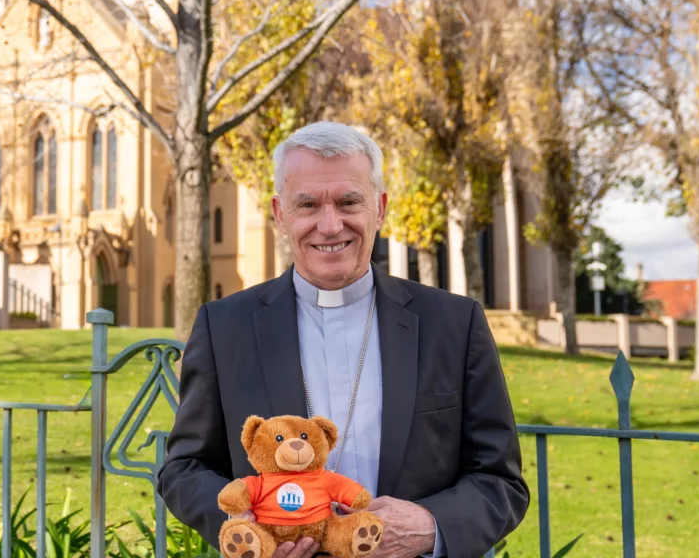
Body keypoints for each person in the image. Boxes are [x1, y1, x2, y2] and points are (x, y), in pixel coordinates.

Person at [156, 122, 529, 558]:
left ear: (381, 208)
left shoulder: (454, 323)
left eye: (349, 201)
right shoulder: (225, 327)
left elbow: (501, 481)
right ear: (280, 214)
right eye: (308, 204)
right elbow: (184, 469)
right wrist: (246, 528)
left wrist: (430, 526)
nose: (330, 225)